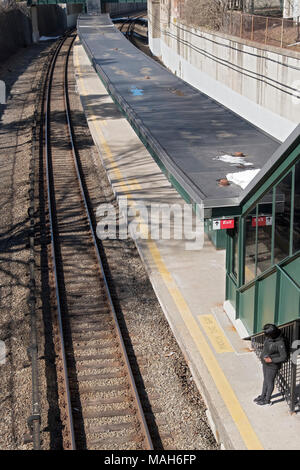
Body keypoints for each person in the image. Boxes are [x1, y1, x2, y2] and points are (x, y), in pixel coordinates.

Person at [253, 323, 288, 406]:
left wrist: (271, 360)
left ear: (272, 334)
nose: (265, 335)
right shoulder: (269, 338)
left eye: (267, 334)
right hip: (265, 363)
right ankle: (263, 396)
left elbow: (284, 357)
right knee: (265, 380)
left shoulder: (280, 343)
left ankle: (267, 400)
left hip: (272, 365)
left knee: (269, 382)